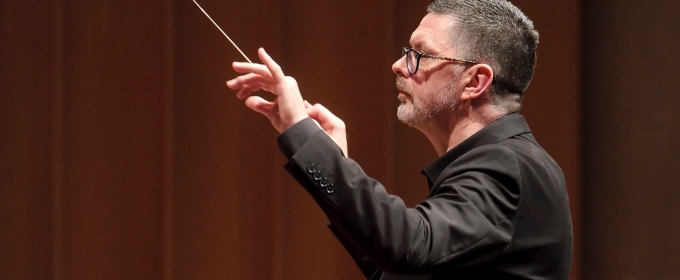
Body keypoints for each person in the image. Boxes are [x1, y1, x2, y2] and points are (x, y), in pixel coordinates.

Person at [226, 0, 573, 279]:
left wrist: (305, 137)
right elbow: (400, 268)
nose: (397, 65)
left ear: (474, 82)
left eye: (419, 54)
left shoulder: (507, 165)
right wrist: (332, 157)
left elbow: (410, 246)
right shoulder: (502, 162)